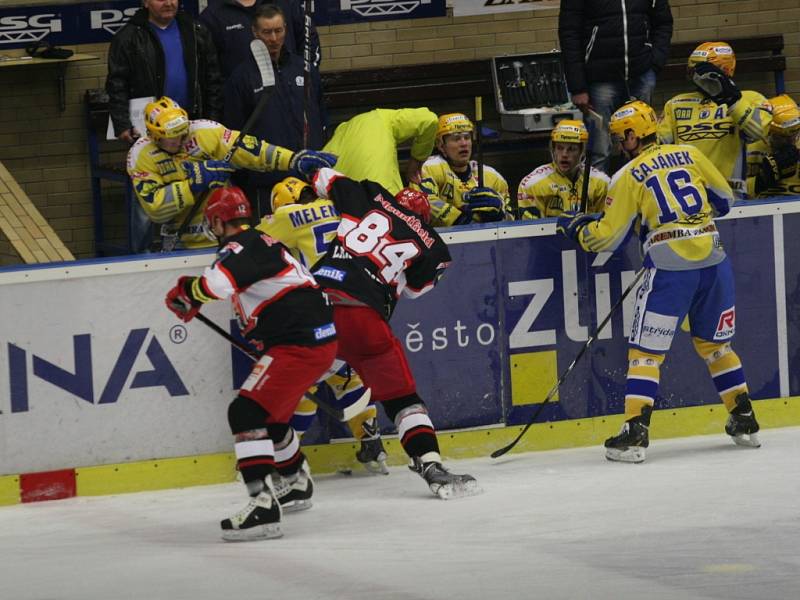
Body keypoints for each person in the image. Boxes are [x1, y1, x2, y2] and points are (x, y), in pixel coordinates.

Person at [557, 100, 761, 463]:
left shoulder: (627, 175)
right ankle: (744, 419)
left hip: (670, 271)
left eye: (622, 138)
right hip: (715, 262)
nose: (621, 145)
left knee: (646, 354)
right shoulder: (689, 153)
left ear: (635, 135)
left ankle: (635, 433)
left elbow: (607, 238)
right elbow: (725, 200)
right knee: (716, 347)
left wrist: (577, 231)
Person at [293, 163, 480, 499]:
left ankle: (280, 468)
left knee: (291, 386)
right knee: (402, 399)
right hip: (363, 317)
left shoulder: (371, 194)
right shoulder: (433, 245)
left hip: (313, 302)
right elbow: (413, 290)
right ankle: (430, 462)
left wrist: (303, 163)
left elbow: (322, 177)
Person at [164, 186, 338, 541]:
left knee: (244, 414)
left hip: (299, 342)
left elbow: (216, 284)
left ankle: (262, 505)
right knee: (269, 418)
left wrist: (187, 294)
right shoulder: (262, 241)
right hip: (310, 338)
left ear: (216, 220)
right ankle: (297, 483)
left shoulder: (241, 246)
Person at [257, 176, 389, 473]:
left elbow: (251, 243)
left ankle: (285, 461)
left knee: (302, 385)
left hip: (318, 307)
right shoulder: (337, 206)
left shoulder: (286, 216)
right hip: (358, 303)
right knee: (347, 378)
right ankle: (373, 443)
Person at [127, 96, 336, 250]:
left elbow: (252, 150)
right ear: (154, 136)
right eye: (172, 138)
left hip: (225, 234)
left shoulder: (205, 132)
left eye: (183, 133)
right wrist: (192, 184)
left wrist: (293, 159)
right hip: (181, 241)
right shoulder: (140, 155)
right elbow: (154, 208)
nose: (180, 141)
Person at [106, 0, 224, 253]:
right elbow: (116, 83)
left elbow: (212, 78)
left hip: (191, 128)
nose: (169, 2)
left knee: (198, 187)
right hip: (149, 133)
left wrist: (212, 121)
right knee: (146, 200)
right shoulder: (129, 37)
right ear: (145, 2)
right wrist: (122, 123)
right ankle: (143, 257)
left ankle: (195, 248)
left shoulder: (195, 29)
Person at [224, 4, 327, 215]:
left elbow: (320, 114)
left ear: (286, 29)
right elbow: (234, 134)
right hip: (266, 185)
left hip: (309, 178)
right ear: (254, 32)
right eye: (267, 32)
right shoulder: (241, 78)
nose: (273, 38)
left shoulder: (304, 69)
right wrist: (248, 180)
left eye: (278, 31)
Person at [558, 0, 673, 172]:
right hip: (599, 78)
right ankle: (597, 196)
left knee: (642, 145)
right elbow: (569, 33)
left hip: (641, 73)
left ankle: (644, 192)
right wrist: (578, 87)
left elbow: (663, 22)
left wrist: (654, 62)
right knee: (599, 150)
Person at [658, 42, 773, 199]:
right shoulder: (675, 103)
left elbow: (756, 131)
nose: (694, 75)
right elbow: (657, 147)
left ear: (723, 69)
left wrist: (731, 100)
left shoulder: (751, 98)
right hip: (689, 195)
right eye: (692, 70)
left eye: (700, 69)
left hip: (732, 194)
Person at [416, 113, 512, 227]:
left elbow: (511, 220)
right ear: (441, 145)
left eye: (467, 137)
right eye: (456, 139)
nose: (464, 143)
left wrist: (499, 213)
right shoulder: (429, 168)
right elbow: (423, 201)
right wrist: (461, 219)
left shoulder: (492, 176)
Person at [323, 107, 438, 195]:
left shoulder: (337, 137)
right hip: (385, 199)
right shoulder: (382, 117)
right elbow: (430, 119)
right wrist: (416, 161)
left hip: (346, 211)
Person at [201, 0, 320, 81]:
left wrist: (302, 81)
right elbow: (210, 75)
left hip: (291, 99)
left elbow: (309, 42)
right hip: (244, 107)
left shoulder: (287, 4)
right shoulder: (212, 16)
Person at [517, 119, 610, 219]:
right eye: (560, 148)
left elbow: (608, 224)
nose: (564, 155)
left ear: (582, 151)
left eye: (571, 149)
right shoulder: (532, 185)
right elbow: (531, 229)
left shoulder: (601, 183)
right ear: (553, 150)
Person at [746, 94, 800, 198]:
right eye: (782, 136)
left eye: (796, 133)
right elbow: (732, 193)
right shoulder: (749, 149)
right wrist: (761, 180)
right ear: (768, 132)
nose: (791, 140)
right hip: (759, 209)